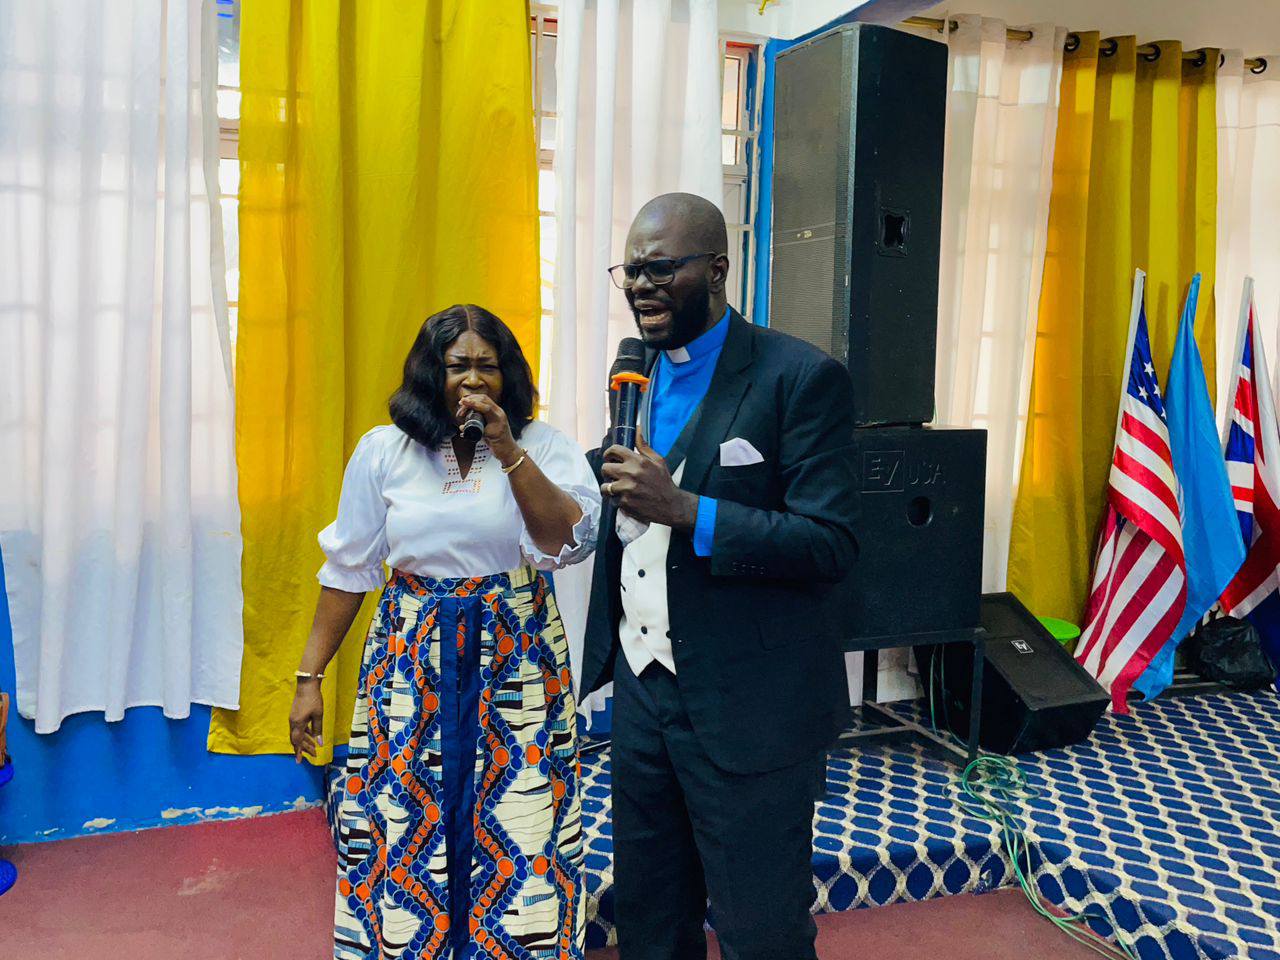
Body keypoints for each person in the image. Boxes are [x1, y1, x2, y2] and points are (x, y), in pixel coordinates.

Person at [581, 193, 859, 960]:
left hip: (751, 706)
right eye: (630, 271)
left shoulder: (800, 378)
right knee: (650, 921)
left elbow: (830, 543)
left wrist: (687, 510)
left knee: (759, 930)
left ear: (716, 268)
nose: (641, 286)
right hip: (643, 693)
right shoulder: (635, 374)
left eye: (660, 269)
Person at [289, 304, 600, 960]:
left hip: (516, 662)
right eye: (459, 366)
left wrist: (508, 450)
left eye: (488, 366)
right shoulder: (385, 452)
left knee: (518, 820)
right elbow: (347, 569)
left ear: (509, 376)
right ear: (432, 373)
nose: (474, 380)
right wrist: (308, 677)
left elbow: (565, 541)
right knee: (407, 815)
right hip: (410, 661)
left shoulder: (543, 447)